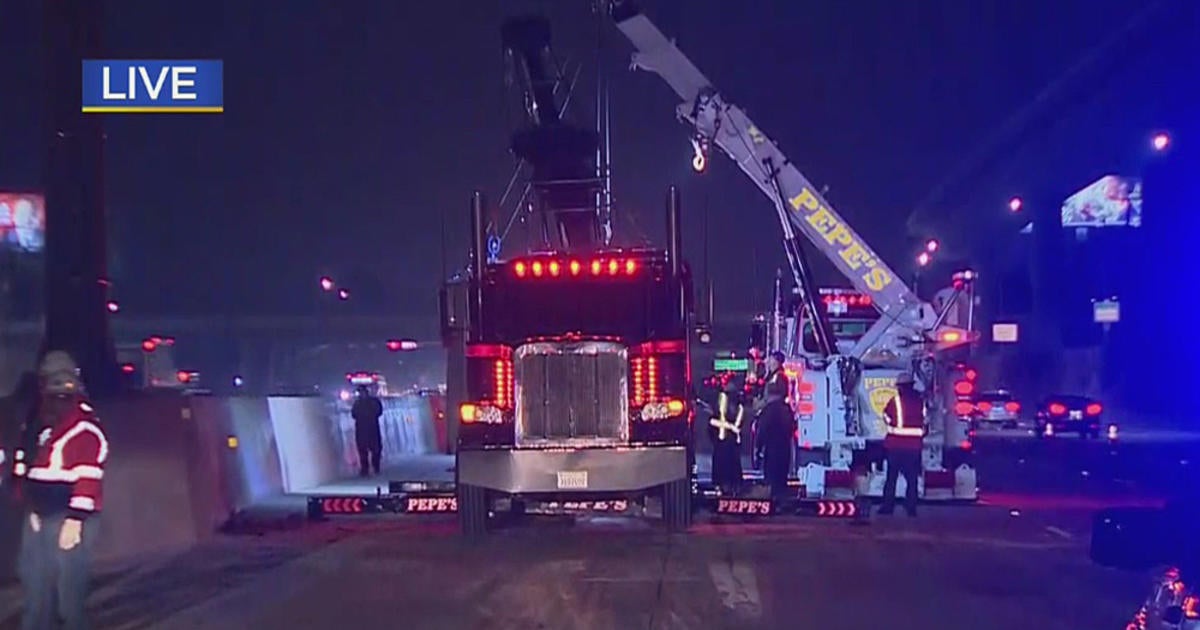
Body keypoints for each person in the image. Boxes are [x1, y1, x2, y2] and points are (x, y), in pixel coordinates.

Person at [20, 351, 108, 630]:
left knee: (69, 594)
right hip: (41, 516)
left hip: (68, 518)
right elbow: (30, 465)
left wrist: (76, 519)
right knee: (36, 586)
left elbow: (88, 474)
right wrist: (31, 507)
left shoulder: (82, 426)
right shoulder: (41, 424)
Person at [879, 371, 925, 517]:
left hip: (896, 445)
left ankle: (888, 507)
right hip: (914, 447)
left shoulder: (896, 401)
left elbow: (886, 416)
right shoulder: (920, 401)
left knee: (891, 478)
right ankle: (911, 508)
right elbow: (926, 420)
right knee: (912, 479)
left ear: (901, 387)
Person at [757, 351, 794, 498]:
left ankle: (776, 490)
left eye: (771, 360)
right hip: (775, 429)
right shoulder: (773, 377)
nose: (768, 362)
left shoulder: (779, 377)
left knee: (775, 459)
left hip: (775, 429)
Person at [707, 375, 745, 496]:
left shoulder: (726, 400)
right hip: (729, 441)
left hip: (723, 440)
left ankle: (725, 487)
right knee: (730, 464)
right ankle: (731, 487)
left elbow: (712, 421)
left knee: (724, 464)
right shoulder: (738, 402)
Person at [351, 385, 384, 477]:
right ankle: (365, 469)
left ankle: (375, 466)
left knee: (375, 450)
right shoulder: (358, 403)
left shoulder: (370, 402)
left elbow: (379, 411)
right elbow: (354, 414)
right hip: (364, 429)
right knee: (363, 451)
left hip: (370, 428)